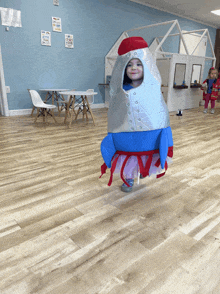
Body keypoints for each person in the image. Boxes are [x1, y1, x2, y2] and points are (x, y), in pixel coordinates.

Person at [100, 36, 173, 192]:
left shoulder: (151, 88)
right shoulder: (121, 89)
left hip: (149, 133)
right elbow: (117, 109)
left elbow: (158, 108)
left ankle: (143, 170)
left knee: (145, 154)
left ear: (146, 66)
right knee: (128, 157)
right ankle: (128, 179)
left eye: (139, 64)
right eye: (129, 65)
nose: (134, 68)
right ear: (123, 69)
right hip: (127, 133)